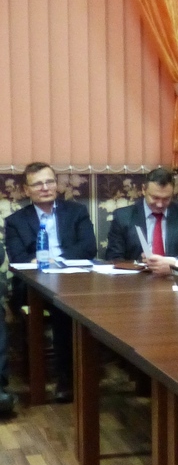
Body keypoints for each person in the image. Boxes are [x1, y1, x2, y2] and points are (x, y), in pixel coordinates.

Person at [6, 162, 98, 403]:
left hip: (72, 280)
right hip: (32, 286)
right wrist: (40, 262)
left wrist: (55, 260)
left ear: (57, 185)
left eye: (49, 182)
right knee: (61, 304)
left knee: (64, 302)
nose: (45, 188)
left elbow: (88, 248)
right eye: (38, 184)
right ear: (26, 190)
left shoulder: (76, 212)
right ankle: (66, 378)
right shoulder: (15, 221)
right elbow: (18, 258)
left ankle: (76, 375)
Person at [104, 167, 178, 261]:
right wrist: (138, 263)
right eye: (155, 198)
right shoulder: (123, 217)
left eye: (166, 199)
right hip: (136, 271)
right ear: (143, 190)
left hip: (172, 271)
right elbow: (113, 258)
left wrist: (171, 263)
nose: (160, 204)